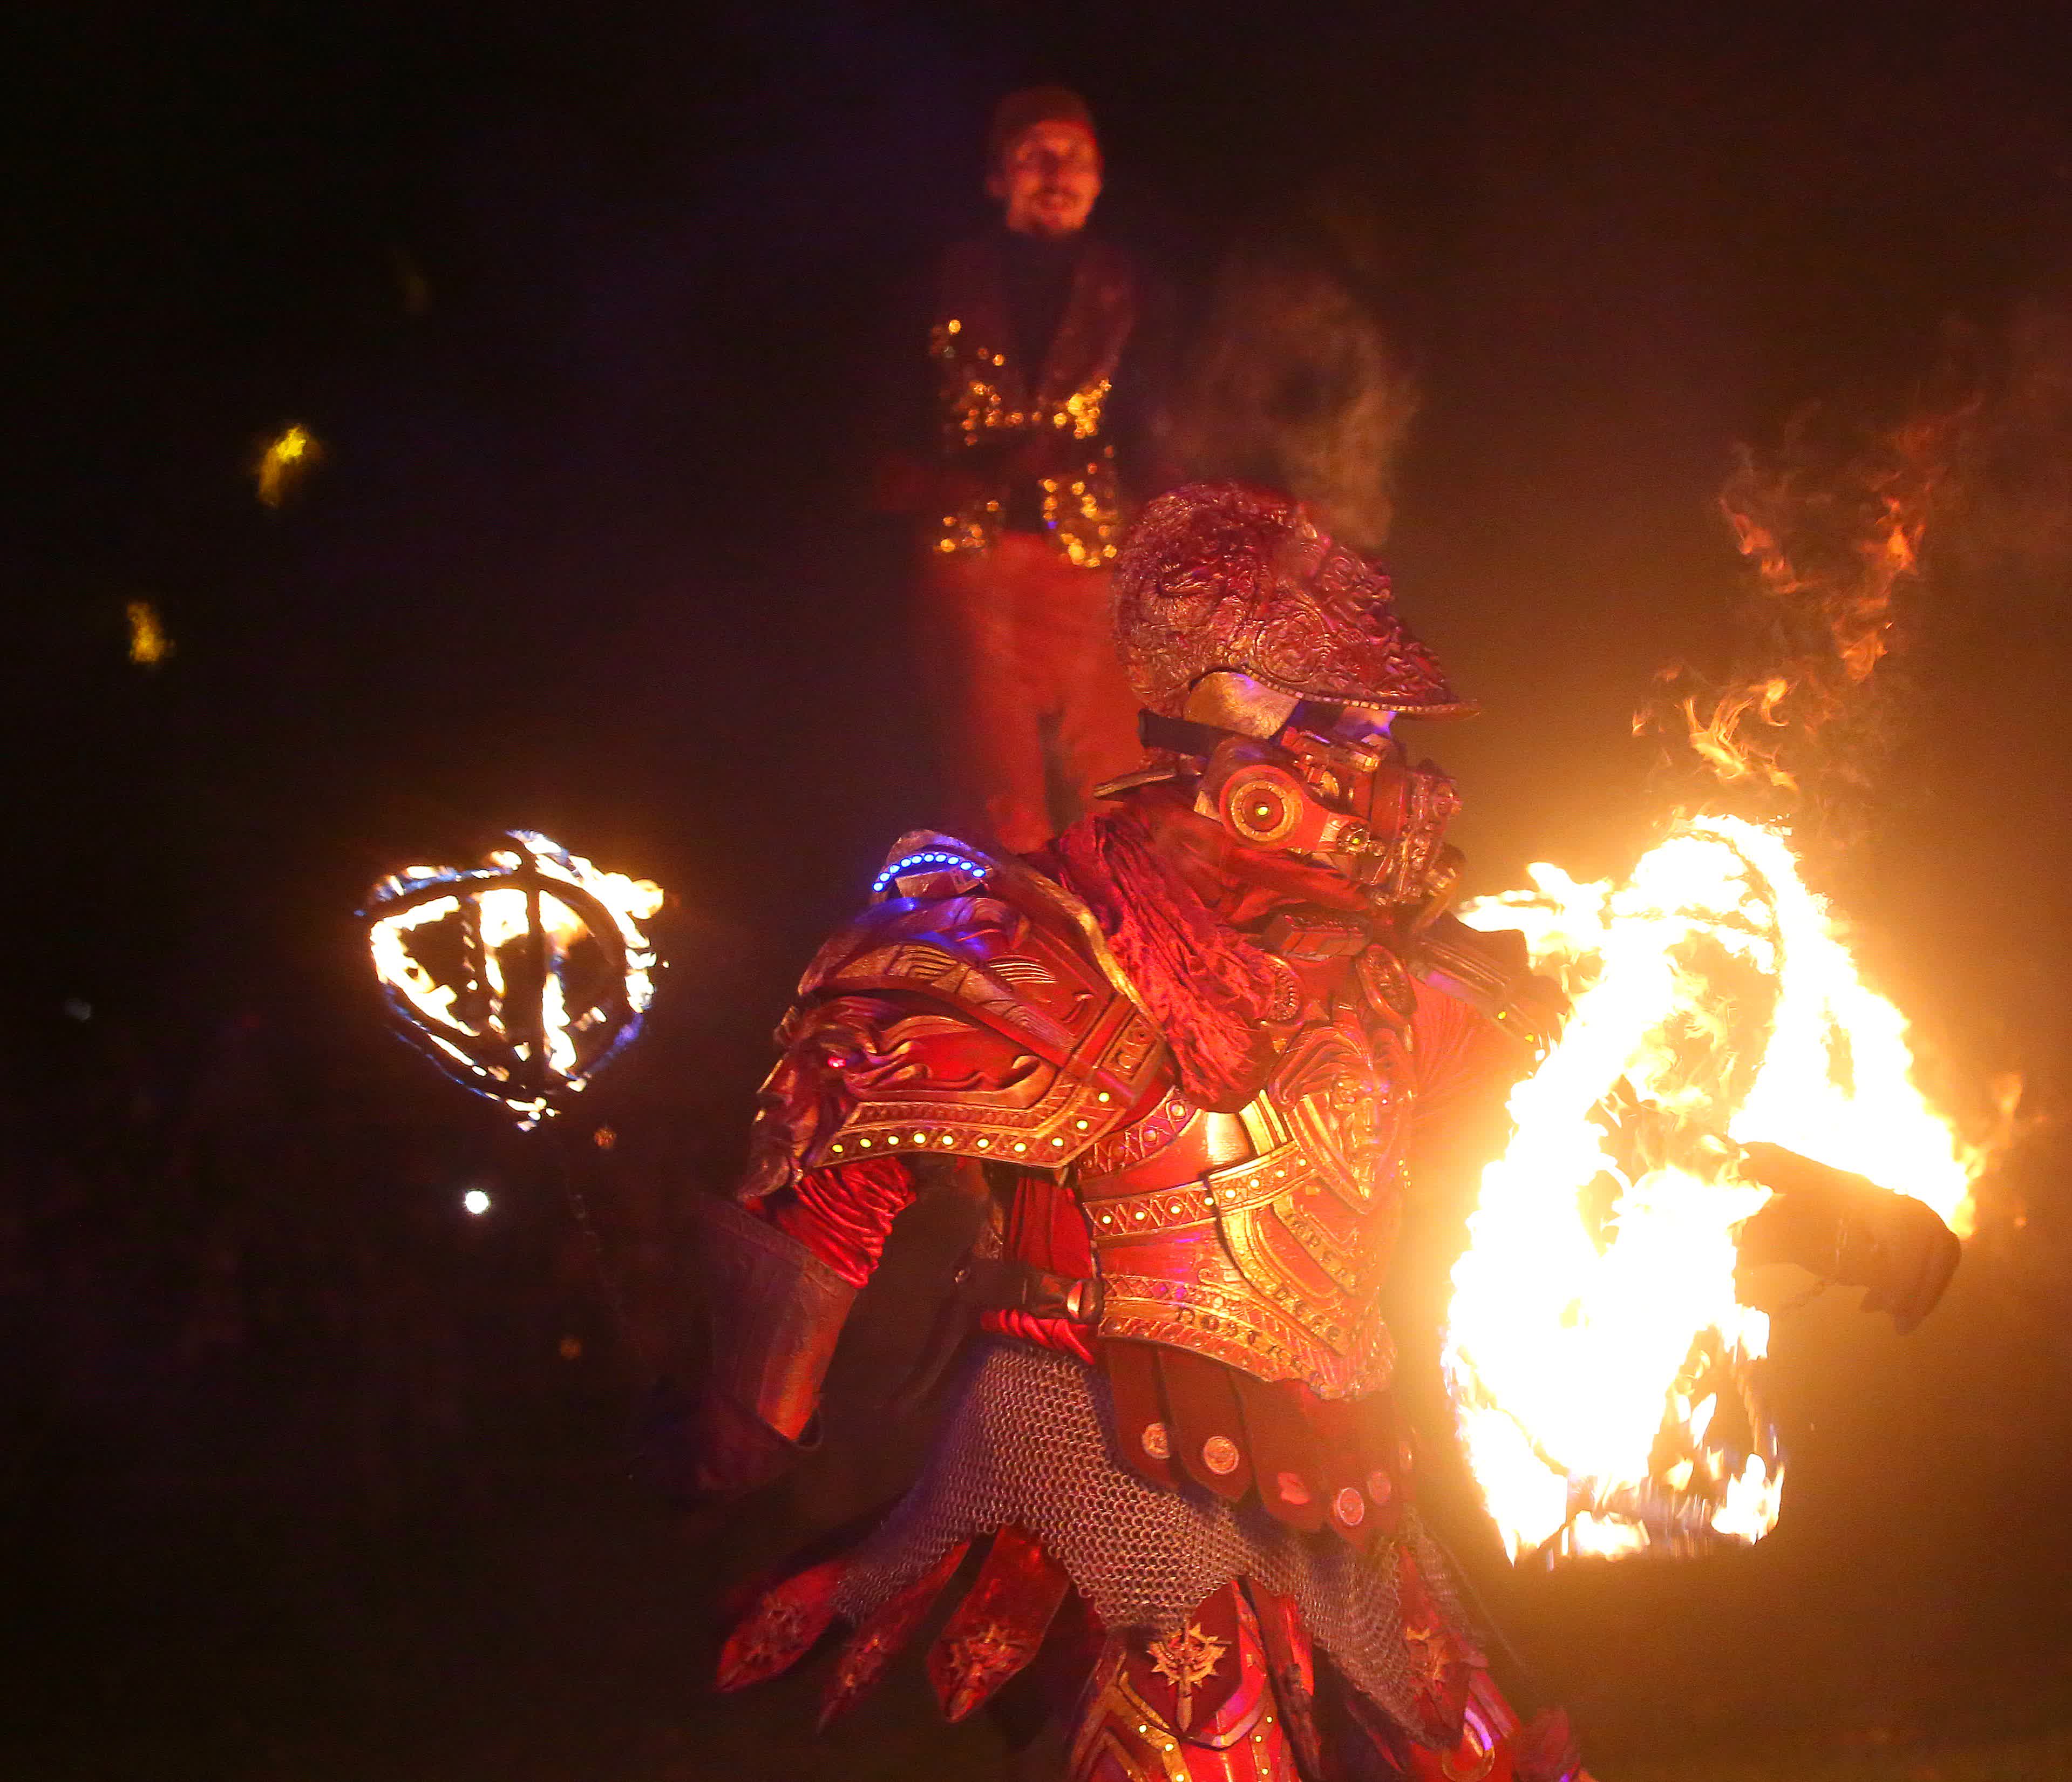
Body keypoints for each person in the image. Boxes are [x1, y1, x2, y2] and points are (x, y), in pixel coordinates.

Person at [653, 483, 1960, 1779]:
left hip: (1343, 1484)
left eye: (1386, 733)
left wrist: (1825, 1212)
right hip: (1103, 1451)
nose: (1389, 777)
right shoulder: (1047, 939)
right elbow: (834, 1163)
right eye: (1350, 730)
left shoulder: (1395, 987)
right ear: (1247, 752)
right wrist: (753, 1415)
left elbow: (1603, 1141)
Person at [898, 85, 1165, 852]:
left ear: (1100, 175)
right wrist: (960, 478)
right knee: (995, 799)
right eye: (1034, 157)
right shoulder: (941, 283)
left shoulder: (1128, 289)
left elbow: (1155, 419)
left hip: (1089, 564)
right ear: (997, 178)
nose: (1056, 173)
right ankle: (1018, 958)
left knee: (1118, 785)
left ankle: (1135, 955)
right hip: (971, 566)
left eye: (1074, 157)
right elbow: (884, 420)